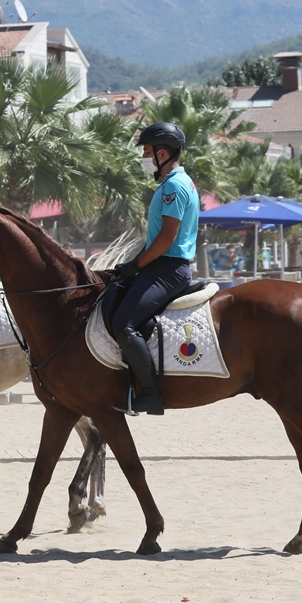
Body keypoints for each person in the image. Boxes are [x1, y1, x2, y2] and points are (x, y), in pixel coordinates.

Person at [108, 122, 199, 416]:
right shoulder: (174, 183)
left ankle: (150, 394)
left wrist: (136, 265)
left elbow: (166, 238)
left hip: (168, 269)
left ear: (162, 153)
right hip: (162, 266)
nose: (144, 157)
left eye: (147, 151)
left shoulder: (173, 186)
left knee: (124, 325)